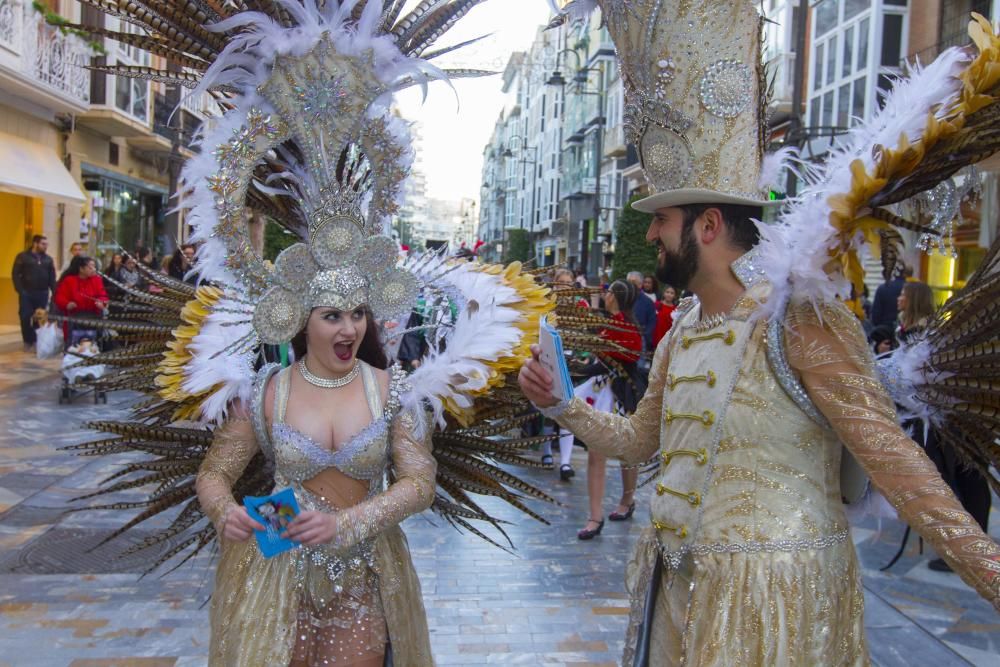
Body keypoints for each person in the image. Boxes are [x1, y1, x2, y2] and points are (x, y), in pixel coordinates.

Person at [526, 2, 999, 664]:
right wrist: (559, 402)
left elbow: (897, 464)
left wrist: (991, 571)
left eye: (662, 219)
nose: (653, 235)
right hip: (683, 603)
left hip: (778, 611)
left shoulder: (799, 320)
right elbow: (639, 441)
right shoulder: (681, 332)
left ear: (709, 225)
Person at [565, 280, 644, 540]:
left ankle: (627, 500)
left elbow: (623, 359)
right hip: (601, 394)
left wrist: (580, 367)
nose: (605, 294)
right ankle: (594, 516)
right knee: (595, 454)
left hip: (619, 396)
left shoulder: (627, 327)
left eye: (609, 292)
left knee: (627, 453)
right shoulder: (610, 323)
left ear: (616, 297)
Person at [11, 235, 56, 350]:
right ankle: (28, 340)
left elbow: (52, 277)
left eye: (46, 244)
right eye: (43, 244)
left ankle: (37, 340)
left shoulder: (48, 259)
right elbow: (15, 274)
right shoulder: (23, 257)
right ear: (35, 243)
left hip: (42, 293)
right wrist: (20, 290)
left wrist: (54, 291)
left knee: (39, 318)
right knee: (25, 316)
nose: (45, 246)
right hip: (27, 292)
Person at [871, 264, 912, 329]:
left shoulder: (883, 288)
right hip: (904, 330)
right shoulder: (912, 289)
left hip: (883, 330)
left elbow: (875, 315)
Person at [626, 270, 656, 351]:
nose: (630, 284)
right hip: (622, 340)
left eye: (633, 282)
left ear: (640, 284)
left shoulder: (648, 302)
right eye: (628, 282)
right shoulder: (621, 298)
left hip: (639, 343)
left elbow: (651, 323)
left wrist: (643, 337)